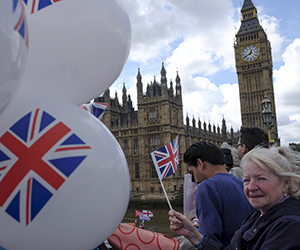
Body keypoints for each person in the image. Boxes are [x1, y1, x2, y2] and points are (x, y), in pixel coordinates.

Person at [169, 146, 300, 250]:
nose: (251, 187)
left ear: (285, 184)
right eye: (247, 179)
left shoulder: (289, 226)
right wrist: (193, 235)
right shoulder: (255, 218)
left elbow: (211, 234)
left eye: (261, 178)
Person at [183, 141, 254, 247]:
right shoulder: (241, 183)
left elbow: (208, 239)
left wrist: (196, 232)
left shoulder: (207, 187)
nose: (195, 180)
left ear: (200, 163)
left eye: (192, 173)